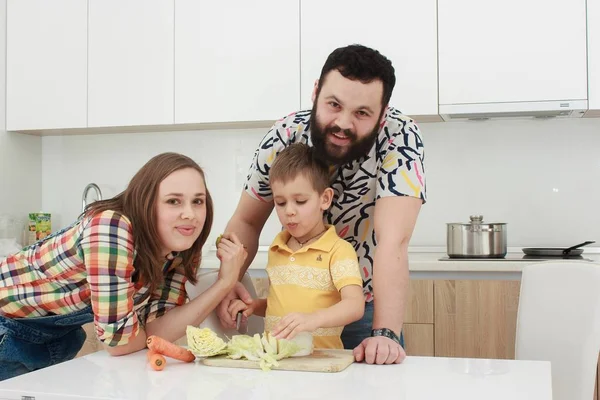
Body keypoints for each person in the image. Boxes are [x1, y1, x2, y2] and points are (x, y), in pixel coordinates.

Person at [217, 44, 426, 365]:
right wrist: (226, 284)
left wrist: (384, 333)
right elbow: (247, 220)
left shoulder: (400, 138)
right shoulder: (285, 135)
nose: (343, 123)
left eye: (361, 113)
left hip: (365, 305)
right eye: (333, 104)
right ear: (316, 93)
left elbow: (393, 242)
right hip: (293, 308)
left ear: (382, 113)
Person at [0, 152, 247, 381]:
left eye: (198, 201)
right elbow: (119, 344)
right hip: (7, 329)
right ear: (145, 202)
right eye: (173, 201)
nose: (190, 214)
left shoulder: (180, 249)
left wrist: (225, 283)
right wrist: (135, 336)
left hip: (53, 338)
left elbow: (156, 333)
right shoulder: (110, 226)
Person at [227, 143, 364, 349]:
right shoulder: (277, 248)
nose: (289, 211)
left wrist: (313, 319)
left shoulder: (339, 250)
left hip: (321, 362)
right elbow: (281, 308)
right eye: (280, 203)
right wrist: (255, 306)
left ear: (325, 199)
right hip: (278, 360)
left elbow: (354, 305)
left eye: (300, 201)